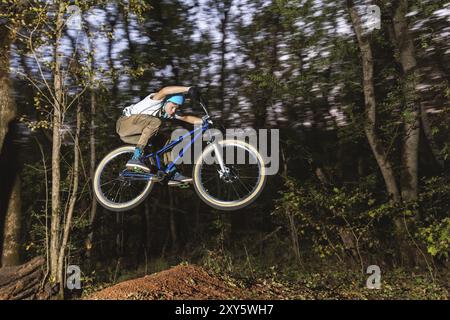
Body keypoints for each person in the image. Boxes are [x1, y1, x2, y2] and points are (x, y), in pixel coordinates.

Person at [116, 86, 202, 184]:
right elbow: (165, 90)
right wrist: (188, 89)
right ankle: (136, 157)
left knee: (166, 140)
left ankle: (171, 172)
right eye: (172, 106)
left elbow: (186, 118)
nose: (173, 110)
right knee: (156, 122)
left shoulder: (168, 112)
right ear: (166, 101)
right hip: (124, 124)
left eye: (176, 108)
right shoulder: (156, 101)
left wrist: (205, 121)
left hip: (134, 135)